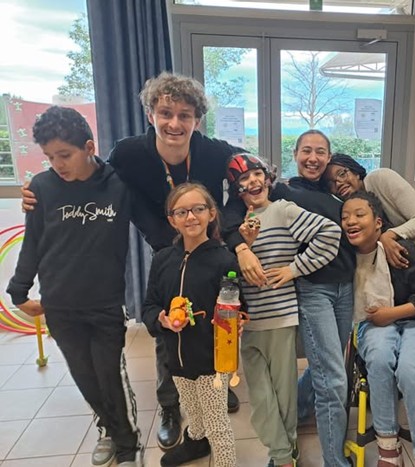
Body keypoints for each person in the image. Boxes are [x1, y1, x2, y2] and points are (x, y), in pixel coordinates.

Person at [21, 72, 244, 449]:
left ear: (197, 120)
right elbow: (88, 176)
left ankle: (214, 384)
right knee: (168, 323)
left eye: (185, 115)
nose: (175, 123)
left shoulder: (215, 151)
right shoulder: (127, 153)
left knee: (213, 320)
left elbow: (251, 179)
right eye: (166, 113)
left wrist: (227, 227)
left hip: (209, 249)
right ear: (150, 114)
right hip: (165, 248)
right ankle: (170, 405)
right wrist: (39, 190)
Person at [6, 106, 142, 467]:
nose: (57, 164)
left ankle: (128, 447)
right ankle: (109, 429)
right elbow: (33, 242)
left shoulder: (120, 185)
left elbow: (154, 217)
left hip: (105, 305)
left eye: (64, 155)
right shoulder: (41, 187)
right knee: (85, 379)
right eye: (49, 157)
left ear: (89, 147)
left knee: (110, 378)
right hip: (60, 306)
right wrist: (19, 291)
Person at [222, 130, 355, 467]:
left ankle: (286, 451)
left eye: (321, 151)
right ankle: (291, 452)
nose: (313, 157)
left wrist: (293, 268)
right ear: (294, 154)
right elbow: (230, 262)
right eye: (306, 150)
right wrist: (242, 246)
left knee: (301, 384)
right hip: (264, 315)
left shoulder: (320, 195)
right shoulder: (272, 200)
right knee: (270, 394)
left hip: (300, 307)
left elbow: (332, 232)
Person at [341, 191, 415, 467]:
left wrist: (394, 313)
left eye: (359, 215)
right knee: (379, 359)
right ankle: (388, 446)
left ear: (378, 222)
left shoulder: (401, 249)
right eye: (345, 217)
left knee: (410, 370)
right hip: (371, 324)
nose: (351, 221)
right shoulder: (344, 257)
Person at [322, 154, 415, 346]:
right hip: (408, 260)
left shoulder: (380, 178)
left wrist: (388, 235)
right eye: (330, 182)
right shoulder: (351, 206)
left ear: (356, 171)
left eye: (342, 173)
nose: (338, 182)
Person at [142, 182, 239, 467]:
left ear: (211, 213)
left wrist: (229, 324)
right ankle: (196, 441)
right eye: (181, 212)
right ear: (172, 220)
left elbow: (234, 308)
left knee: (217, 423)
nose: (191, 217)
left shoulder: (224, 261)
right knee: (192, 410)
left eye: (198, 209)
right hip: (176, 358)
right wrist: (161, 319)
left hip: (212, 362)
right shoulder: (162, 259)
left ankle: (225, 462)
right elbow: (150, 305)